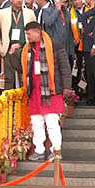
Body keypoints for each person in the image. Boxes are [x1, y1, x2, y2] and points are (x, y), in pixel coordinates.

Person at [21, 22, 72, 161]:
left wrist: (67, 87)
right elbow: (22, 68)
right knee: (36, 123)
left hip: (51, 91)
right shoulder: (27, 49)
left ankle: (56, 150)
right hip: (34, 93)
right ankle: (39, 150)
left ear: (37, 32)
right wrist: (13, 53)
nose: (27, 36)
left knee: (52, 123)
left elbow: (65, 68)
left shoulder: (55, 46)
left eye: (29, 33)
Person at [0, 0, 37, 90]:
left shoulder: (30, 13)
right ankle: (8, 104)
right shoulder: (3, 13)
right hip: (8, 50)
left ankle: (24, 103)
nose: (20, 0)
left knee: (24, 78)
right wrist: (0, 47)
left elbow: (35, 31)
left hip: (24, 49)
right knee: (8, 79)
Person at [46, 0, 75, 65]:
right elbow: (48, 22)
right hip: (54, 47)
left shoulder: (66, 12)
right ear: (56, 0)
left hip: (66, 48)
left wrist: (71, 50)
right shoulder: (47, 11)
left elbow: (69, 30)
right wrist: (57, 10)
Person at [82, 0, 95, 106]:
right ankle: (90, 94)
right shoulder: (86, 10)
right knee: (89, 72)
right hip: (86, 45)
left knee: (94, 72)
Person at [70, 0, 87, 97]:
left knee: (87, 70)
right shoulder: (70, 12)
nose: (77, 2)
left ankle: (87, 91)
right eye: (74, 0)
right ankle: (76, 91)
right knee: (76, 69)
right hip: (76, 46)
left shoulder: (89, 10)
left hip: (87, 45)